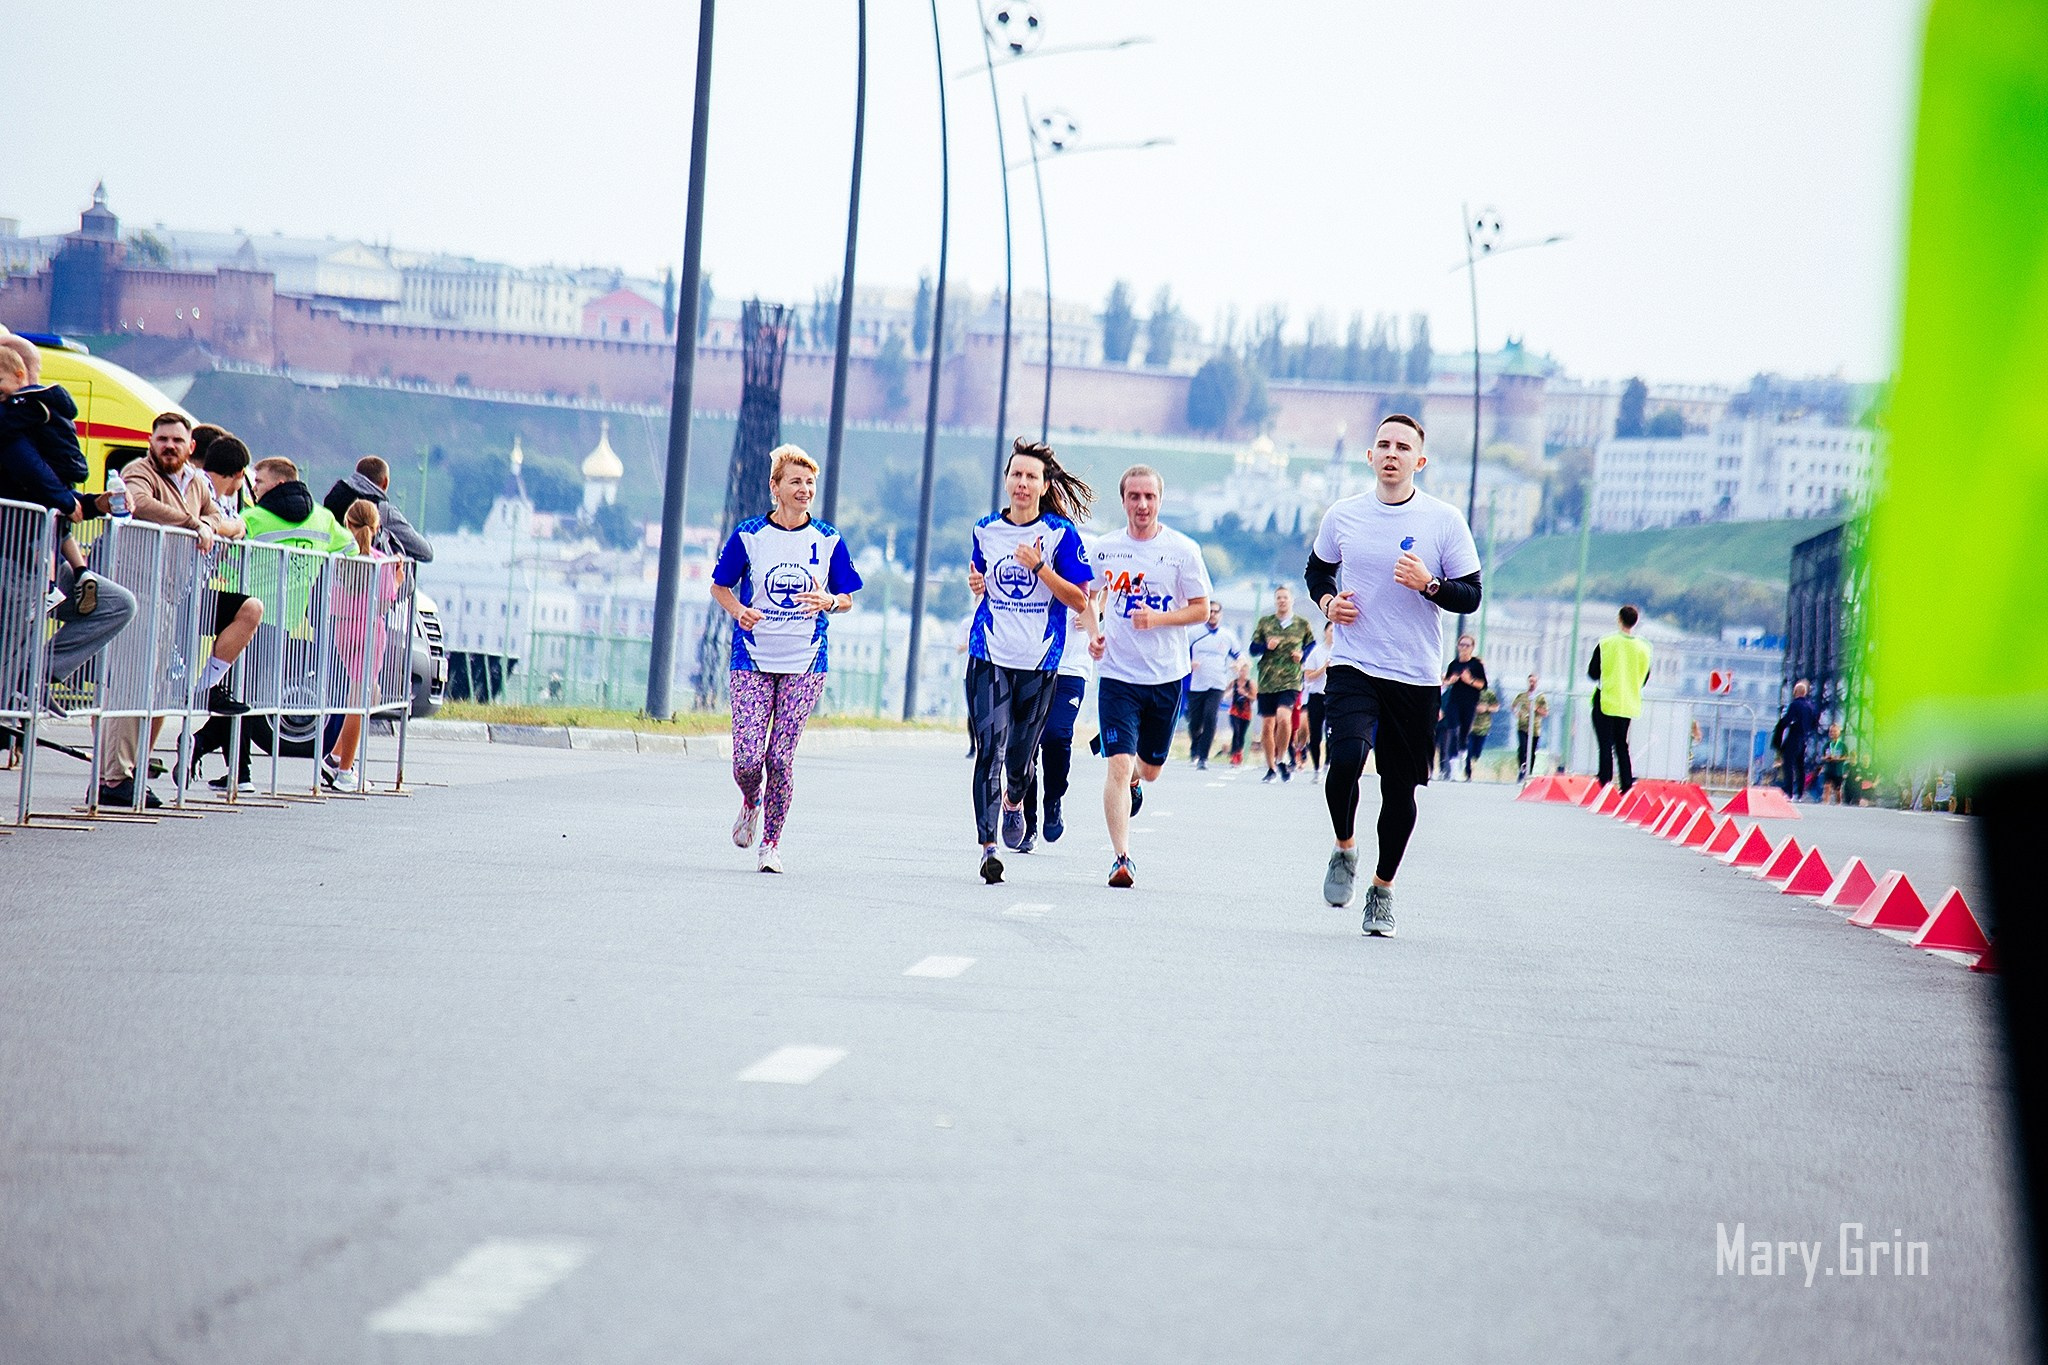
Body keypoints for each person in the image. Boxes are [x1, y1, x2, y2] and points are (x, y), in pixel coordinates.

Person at [1304, 414, 1481, 936]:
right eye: (1382, 444)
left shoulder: (1443, 521)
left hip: (1415, 675)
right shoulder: (1344, 516)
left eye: (1403, 447)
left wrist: (1429, 585)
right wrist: (1328, 601)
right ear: (1369, 456)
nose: (1391, 453)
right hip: (1355, 662)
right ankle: (1344, 847)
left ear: (1418, 462)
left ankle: (1382, 890)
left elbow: (1470, 593)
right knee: (1345, 761)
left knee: (1400, 792)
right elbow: (1317, 569)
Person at [709, 445, 862, 873]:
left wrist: (829, 601)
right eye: (795, 482)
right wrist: (740, 612)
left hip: (805, 659)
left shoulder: (828, 538)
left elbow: (847, 598)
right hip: (752, 657)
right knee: (746, 759)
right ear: (775, 487)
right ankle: (750, 800)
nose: (804, 490)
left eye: (810, 483)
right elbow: (719, 586)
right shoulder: (749, 535)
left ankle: (770, 846)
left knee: (780, 758)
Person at [98, 413, 252, 810]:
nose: (168, 446)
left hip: (169, 593)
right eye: (162, 438)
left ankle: (125, 774)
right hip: (138, 586)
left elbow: (226, 520)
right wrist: (192, 523)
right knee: (132, 685)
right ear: (152, 441)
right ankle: (115, 778)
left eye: (176, 440)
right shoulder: (140, 471)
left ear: (191, 447)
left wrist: (209, 524)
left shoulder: (194, 482)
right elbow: (139, 504)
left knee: (149, 686)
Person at [962, 439, 1096, 884]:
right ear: (1006, 480)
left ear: (1043, 485)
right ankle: (987, 849)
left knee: (1019, 761)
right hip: (990, 654)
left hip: (1040, 662)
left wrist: (1040, 568)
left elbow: (1079, 600)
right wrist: (976, 581)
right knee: (989, 752)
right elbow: (981, 573)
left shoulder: (1060, 534)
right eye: (1016, 474)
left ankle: (1016, 802)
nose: (1022, 483)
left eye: (1031, 476)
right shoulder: (985, 529)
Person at [1089, 465, 1211, 888]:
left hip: (1166, 677)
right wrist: (1095, 633)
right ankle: (1121, 859)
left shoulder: (1182, 551)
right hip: (1118, 677)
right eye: (1134, 497)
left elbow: (1200, 608)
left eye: (1149, 497)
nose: (1142, 505)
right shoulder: (1105, 549)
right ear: (1123, 500)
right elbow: (1089, 596)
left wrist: (1159, 618)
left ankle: (1139, 781)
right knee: (1118, 766)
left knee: (1149, 769)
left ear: (1160, 501)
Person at [0, 350, 137, 720]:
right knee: (12, 639)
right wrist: (66, 499)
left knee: (117, 604)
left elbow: (50, 492)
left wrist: (95, 504)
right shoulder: (13, 423)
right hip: (16, 551)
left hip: (39, 551)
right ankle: (11, 694)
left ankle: (32, 677)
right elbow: (34, 477)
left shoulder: (33, 417)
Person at [322, 499, 405, 793]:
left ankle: (334, 756)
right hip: (370, 629)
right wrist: (396, 581)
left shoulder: (341, 558)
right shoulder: (381, 561)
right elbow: (383, 602)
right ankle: (345, 770)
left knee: (366, 693)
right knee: (360, 699)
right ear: (377, 527)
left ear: (348, 525)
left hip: (344, 628)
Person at [1021, 599, 1093, 848]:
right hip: (1030, 663)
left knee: (1056, 735)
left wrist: (1097, 611)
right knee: (1025, 743)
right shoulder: (1029, 558)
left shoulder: (1085, 559)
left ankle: (1053, 799)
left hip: (1071, 667)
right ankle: (1026, 823)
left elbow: (1105, 586)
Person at [1250, 585, 1315, 782]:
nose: (1282, 601)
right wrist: (1265, 646)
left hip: (1291, 680)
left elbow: (1312, 645)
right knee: (1268, 725)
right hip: (1268, 680)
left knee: (1284, 718)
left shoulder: (1301, 624)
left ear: (1291, 600)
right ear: (1275, 600)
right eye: (1278, 598)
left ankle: (1282, 756)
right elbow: (1253, 649)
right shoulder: (1265, 623)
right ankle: (1271, 767)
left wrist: (1302, 655)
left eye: (1285, 597)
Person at [321, 454, 434, 562]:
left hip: (329, 574)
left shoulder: (334, 497)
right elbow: (425, 552)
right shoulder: (383, 511)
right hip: (368, 578)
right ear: (385, 483)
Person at [1588, 605, 1652, 793]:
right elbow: (1645, 676)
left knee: (1605, 746)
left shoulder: (1607, 643)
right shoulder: (1643, 648)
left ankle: (1605, 785)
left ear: (1619, 619)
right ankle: (1626, 785)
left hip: (1606, 699)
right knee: (1622, 745)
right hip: (1628, 702)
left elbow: (1593, 672)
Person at [1184, 600, 1239, 770]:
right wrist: (1189, 663)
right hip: (1196, 684)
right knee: (1195, 722)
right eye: (1211, 611)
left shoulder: (1227, 636)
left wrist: (1238, 665)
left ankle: (1203, 757)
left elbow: (1239, 655)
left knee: (1210, 717)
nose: (1213, 614)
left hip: (1217, 683)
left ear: (1220, 615)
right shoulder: (1194, 633)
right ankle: (1195, 746)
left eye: (1216, 612)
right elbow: (1180, 653)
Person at [1438, 634, 1487, 780]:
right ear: (1457, 646)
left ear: (1472, 648)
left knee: (1464, 734)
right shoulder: (1454, 664)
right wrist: (1449, 680)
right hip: (1454, 702)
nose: (1464, 648)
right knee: (1453, 730)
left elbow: (1482, 685)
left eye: (1467, 645)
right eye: (1461, 645)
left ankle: (1462, 760)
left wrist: (1469, 680)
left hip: (1470, 703)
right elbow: (1445, 682)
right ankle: (1453, 767)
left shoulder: (1476, 665)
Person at [1773, 679, 1821, 801]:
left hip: (1794, 737)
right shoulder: (1811, 706)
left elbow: (1787, 720)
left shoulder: (1795, 705)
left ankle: (1788, 791)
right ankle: (1799, 793)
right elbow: (1815, 724)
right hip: (1804, 739)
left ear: (1795, 692)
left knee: (1788, 764)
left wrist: (1779, 730)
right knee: (1800, 766)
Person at [1300, 622, 1331, 782]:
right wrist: (1324, 668)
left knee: (1332, 733)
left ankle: (1328, 763)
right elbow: (1308, 676)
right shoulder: (1317, 652)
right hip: (1317, 696)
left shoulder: (1342, 651)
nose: (1333, 633)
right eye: (1330, 630)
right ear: (1325, 632)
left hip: (1333, 697)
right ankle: (1317, 767)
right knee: (1316, 733)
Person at [1512, 674, 1548, 781]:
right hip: (1522, 726)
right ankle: (1522, 769)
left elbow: (1545, 712)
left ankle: (1529, 771)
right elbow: (1514, 706)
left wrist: (1536, 708)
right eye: (1530, 681)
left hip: (1534, 729)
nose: (1532, 684)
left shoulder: (1540, 697)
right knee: (1522, 748)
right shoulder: (1522, 696)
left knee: (1531, 751)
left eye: (1534, 682)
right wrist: (1516, 713)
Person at [1466, 681, 1499, 780]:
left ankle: (1474, 762)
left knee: (1477, 750)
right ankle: (1468, 772)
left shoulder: (1489, 693)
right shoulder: (1469, 693)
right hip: (1470, 726)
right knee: (1469, 749)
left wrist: (1486, 708)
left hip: (1483, 726)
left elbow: (1496, 707)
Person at [1225, 660, 1256, 765]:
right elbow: (1226, 690)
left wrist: (1245, 693)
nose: (1243, 673)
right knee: (1236, 732)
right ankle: (1234, 754)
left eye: (1245, 671)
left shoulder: (1250, 683)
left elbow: (1254, 697)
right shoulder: (1234, 682)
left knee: (1241, 734)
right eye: (1241, 671)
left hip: (1245, 713)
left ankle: (1239, 752)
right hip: (1234, 711)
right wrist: (1227, 695)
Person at [1821, 722, 1850, 804]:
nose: (1832, 733)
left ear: (1838, 733)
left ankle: (1838, 804)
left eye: (1834, 731)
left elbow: (1846, 756)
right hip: (1828, 769)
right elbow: (1822, 756)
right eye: (1831, 731)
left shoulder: (1842, 745)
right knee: (1827, 786)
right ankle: (1825, 803)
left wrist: (1839, 758)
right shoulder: (1827, 745)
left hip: (1838, 770)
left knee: (1837, 790)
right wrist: (1826, 758)